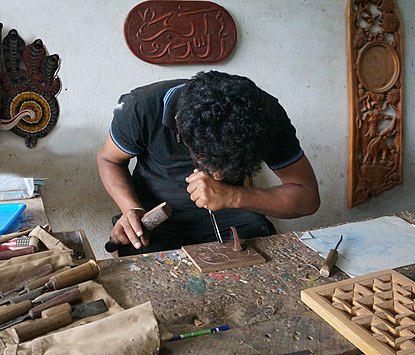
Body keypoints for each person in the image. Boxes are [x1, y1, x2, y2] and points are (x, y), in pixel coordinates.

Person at [97, 71, 320, 255]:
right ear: (180, 130)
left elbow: (307, 196)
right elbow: (109, 160)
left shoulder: (266, 117)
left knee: (262, 261)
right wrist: (131, 209)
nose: (219, 177)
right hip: (157, 215)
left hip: (232, 211)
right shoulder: (143, 108)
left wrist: (234, 196)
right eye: (210, 163)